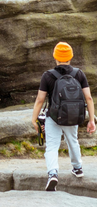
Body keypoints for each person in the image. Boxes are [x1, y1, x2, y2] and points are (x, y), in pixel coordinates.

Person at [31, 42, 96, 192]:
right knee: (73, 141)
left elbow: (40, 100)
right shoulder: (79, 74)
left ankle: (53, 173)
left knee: (52, 146)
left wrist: (34, 119)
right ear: (71, 57)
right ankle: (78, 168)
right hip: (72, 116)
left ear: (55, 57)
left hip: (53, 117)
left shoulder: (48, 76)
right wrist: (91, 120)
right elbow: (89, 98)